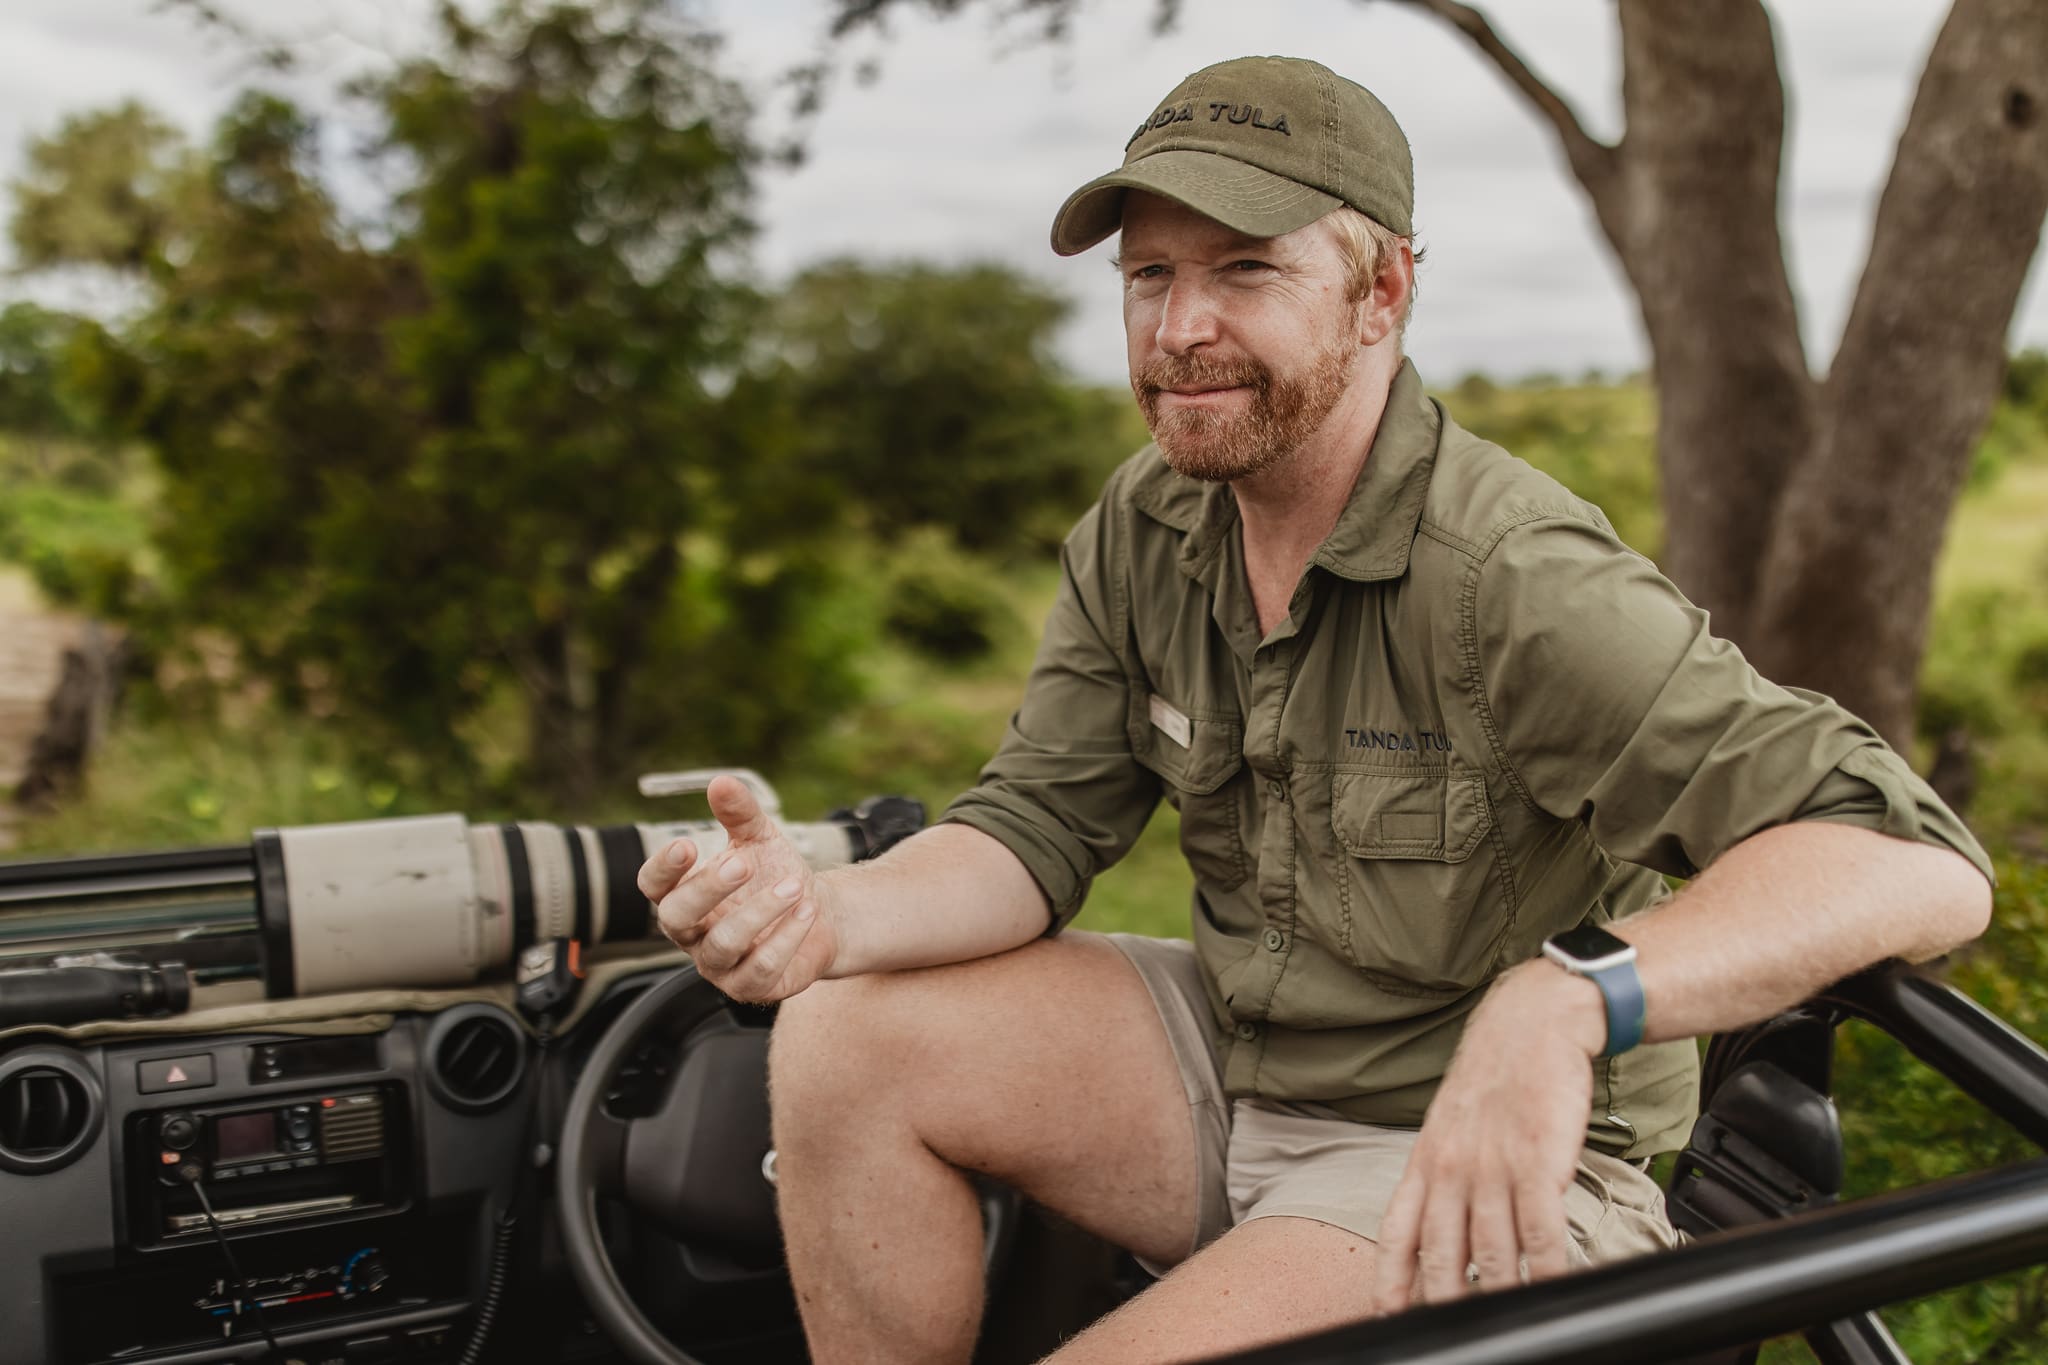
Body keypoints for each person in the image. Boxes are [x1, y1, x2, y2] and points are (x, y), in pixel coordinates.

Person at [637, 55, 1993, 1364]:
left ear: (1381, 291)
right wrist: (832, 912)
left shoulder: (1515, 577)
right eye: (1151, 275)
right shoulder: (1146, 524)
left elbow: (1913, 859)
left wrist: (1570, 998)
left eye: (1245, 268)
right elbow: (1033, 824)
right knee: (842, 1028)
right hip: (1240, 1071)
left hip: (1489, 1163)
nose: (1180, 329)